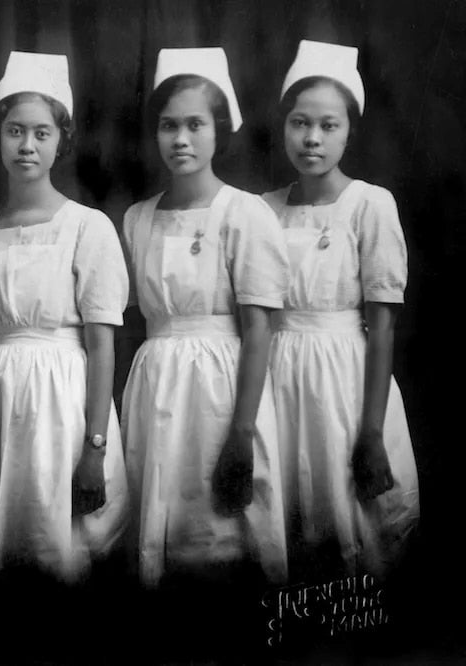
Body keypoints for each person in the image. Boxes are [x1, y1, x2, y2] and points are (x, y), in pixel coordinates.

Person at [120, 48, 290, 589]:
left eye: (196, 125)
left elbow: (259, 327)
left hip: (224, 388)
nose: (181, 139)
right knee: (161, 519)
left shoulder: (244, 213)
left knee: (226, 523)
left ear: (220, 131)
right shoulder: (136, 218)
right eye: (169, 126)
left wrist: (242, 431)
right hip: (156, 383)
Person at [0, 51, 129, 585]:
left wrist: (94, 448)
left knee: (57, 545)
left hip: (61, 402)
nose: (27, 146)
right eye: (14, 131)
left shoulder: (87, 227)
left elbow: (102, 346)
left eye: (40, 133)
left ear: (62, 140)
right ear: (0, 137)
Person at [263, 40, 419, 582]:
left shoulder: (369, 205)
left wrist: (371, 431)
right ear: (284, 126)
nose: (311, 139)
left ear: (349, 129)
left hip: (346, 379)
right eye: (300, 123)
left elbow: (383, 327)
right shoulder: (263, 210)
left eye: (328, 126)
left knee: (351, 514)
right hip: (277, 376)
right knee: (288, 507)